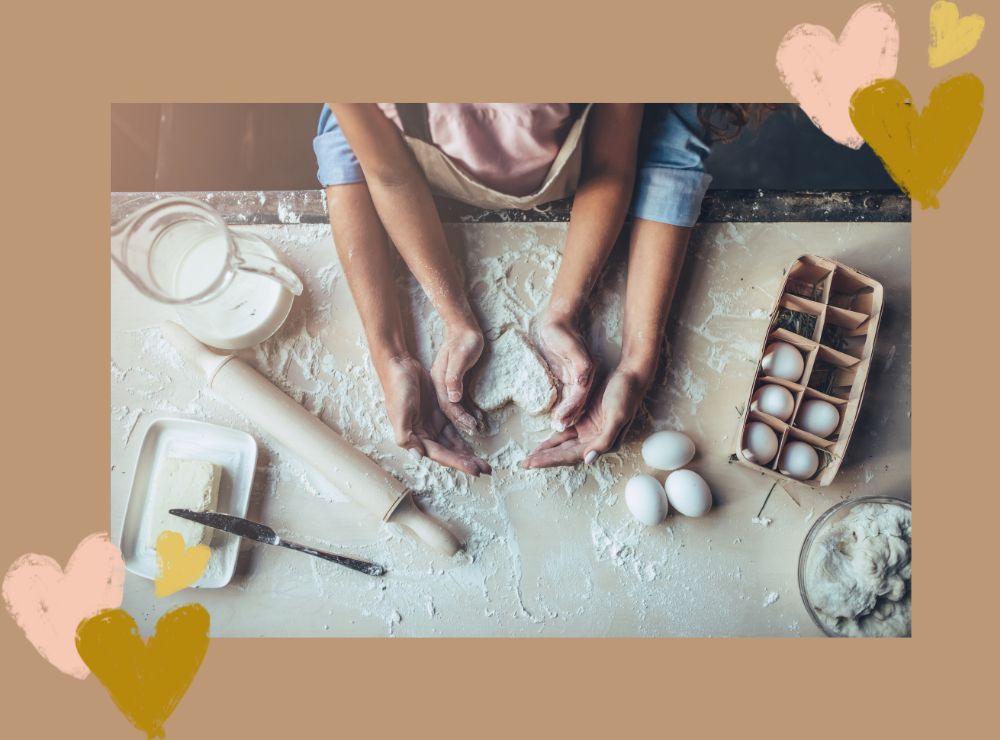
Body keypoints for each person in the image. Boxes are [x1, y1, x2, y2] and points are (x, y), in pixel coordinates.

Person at [314, 103, 736, 475]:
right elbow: (384, 171)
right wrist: (395, 351)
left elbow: (617, 160)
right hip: (412, 176)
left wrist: (633, 360)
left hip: (588, 169)